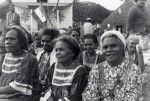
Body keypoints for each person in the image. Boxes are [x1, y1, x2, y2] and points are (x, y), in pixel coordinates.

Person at [82, 30, 143, 101]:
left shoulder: (134, 70)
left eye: (113, 46)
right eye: (105, 47)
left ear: (122, 47)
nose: (109, 50)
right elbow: (89, 95)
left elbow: (134, 97)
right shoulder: (96, 70)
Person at [0, 26, 40, 101]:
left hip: (24, 96)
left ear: (21, 42)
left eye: (12, 39)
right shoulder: (5, 57)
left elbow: (19, 86)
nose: (7, 42)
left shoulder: (29, 59)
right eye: (6, 39)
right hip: (6, 93)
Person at [45, 36, 87, 101]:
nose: (57, 53)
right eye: (56, 50)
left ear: (73, 52)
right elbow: (47, 87)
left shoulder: (79, 71)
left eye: (61, 50)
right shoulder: (53, 68)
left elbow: (74, 96)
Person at [36, 28, 59, 93]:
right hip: (38, 87)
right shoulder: (39, 54)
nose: (45, 43)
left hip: (50, 89)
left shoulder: (57, 56)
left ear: (53, 41)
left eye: (48, 41)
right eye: (43, 41)